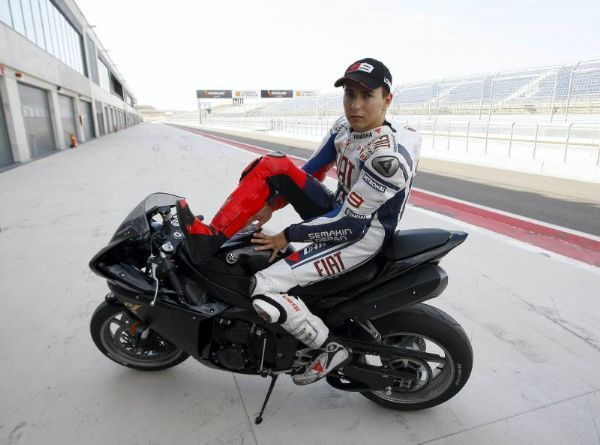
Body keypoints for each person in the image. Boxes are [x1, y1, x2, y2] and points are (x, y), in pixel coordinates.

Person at [176, 57, 422, 384]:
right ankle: (210, 236)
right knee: (273, 164)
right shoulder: (344, 128)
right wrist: (270, 203)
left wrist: (286, 235)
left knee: (264, 286)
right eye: (350, 94)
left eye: (367, 96)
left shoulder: (387, 158)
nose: (355, 105)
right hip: (340, 209)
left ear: (387, 100)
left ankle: (327, 346)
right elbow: (310, 172)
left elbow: (351, 224)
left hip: (361, 237)